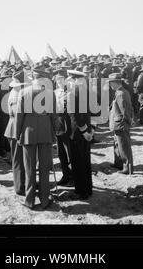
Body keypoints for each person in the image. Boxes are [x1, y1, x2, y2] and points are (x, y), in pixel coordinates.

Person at [14, 67, 58, 209]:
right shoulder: (50, 93)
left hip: (28, 131)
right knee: (44, 168)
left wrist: (17, 133)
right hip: (45, 131)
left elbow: (19, 116)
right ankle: (45, 199)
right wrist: (55, 131)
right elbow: (54, 115)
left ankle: (29, 201)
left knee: (30, 168)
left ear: (33, 77)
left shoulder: (23, 91)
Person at [67, 69, 94, 200]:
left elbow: (76, 116)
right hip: (87, 130)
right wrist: (90, 130)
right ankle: (88, 189)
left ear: (74, 80)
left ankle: (81, 191)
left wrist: (83, 131)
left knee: (78, 163)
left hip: (78, 133)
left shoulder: (73, 93)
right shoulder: (88, 91)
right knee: (86, 161)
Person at [4, 70, 30, 196]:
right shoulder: (17, 95)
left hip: (15, 127)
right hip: (16, 128)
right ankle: (20, 186)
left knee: (21, 157)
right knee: (18, 158)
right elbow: (17, 115)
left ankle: (23, 183)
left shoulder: (16, 93)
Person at [108, 73, 134, 174]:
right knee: (117, 144)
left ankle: (127, 167)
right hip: (117, 123)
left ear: (115, 83)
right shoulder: (120, 92)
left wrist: (128, 121)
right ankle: (119, 163)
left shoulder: (121, 93)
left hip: (121, 124)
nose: (110, 85)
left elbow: (125, 110)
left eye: (111, 83)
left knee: (124, 146)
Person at [53, 68, 74, 186]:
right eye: (57, 79)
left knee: (69, 152)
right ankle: (65, 175)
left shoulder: (70, 92)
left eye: (61, 79)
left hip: (67, 124)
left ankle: (73, 177)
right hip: (58, 125)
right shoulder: (55, 92)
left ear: (66, 80)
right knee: (61, 153)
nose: (59, 81)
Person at [0, 68, 12, 158]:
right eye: (6, 77)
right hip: (1, 111)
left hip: (8, 111)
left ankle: (7, 146)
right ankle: (1, 148)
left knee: (8, 130)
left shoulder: (10, 86)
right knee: (1, 131)